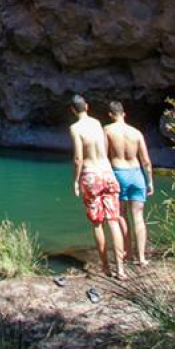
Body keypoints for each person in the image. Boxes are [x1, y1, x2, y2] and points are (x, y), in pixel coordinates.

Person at [69, 93, 127, 279]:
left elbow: (79, 158)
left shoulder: (75, 128)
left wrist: (76, 181)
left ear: (72, 110)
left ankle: (105, 267)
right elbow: (105, 148)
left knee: (97, 223)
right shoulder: (97, 124)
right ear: (87, 106)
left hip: (91, 174)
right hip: (107, 172)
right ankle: (121, 269)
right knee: (114, 220)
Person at [105, 100, 154, 266]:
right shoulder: (136, 133)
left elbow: (104, 156)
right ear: (124, 114)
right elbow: (146, 161)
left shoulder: (108, 130)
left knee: (122, 215)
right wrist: (150, 181)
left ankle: (126, 254)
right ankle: (141, 258)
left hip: (119, 173)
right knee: (138, 217)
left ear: (111, 115)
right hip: (137, 174)